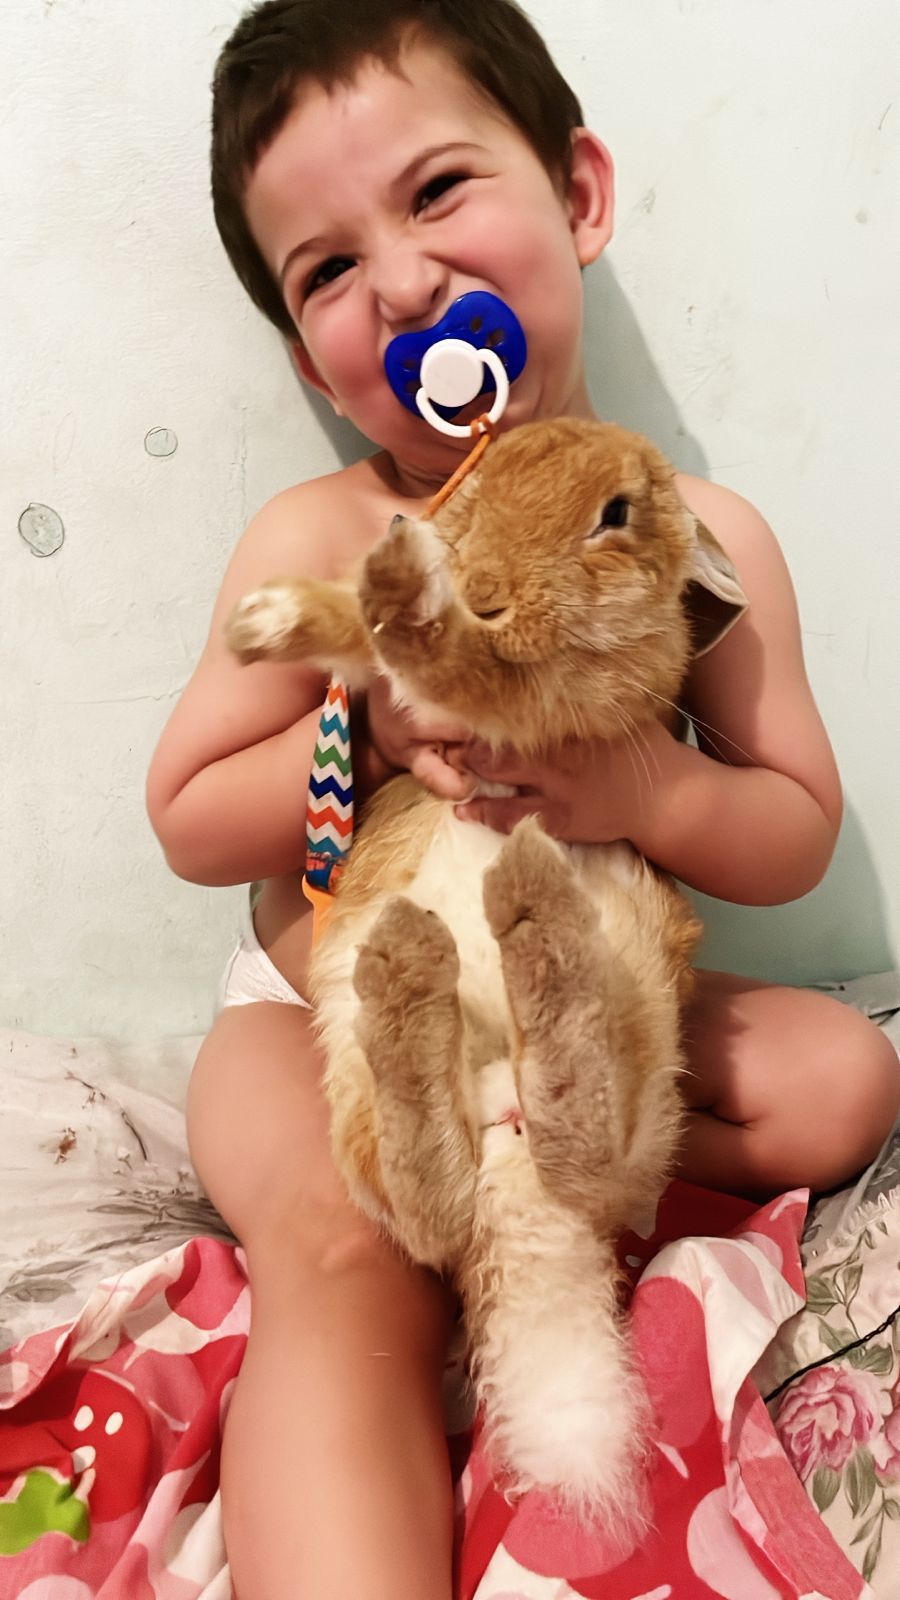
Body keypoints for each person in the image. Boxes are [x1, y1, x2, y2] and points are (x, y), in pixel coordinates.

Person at [146, 3, 900, 1595]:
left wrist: (640, 783)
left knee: (843, 1082)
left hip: (576, 1010)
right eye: (327, 270)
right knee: (346, 1253)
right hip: (329, 1024)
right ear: (308, 358)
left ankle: (535, 1158)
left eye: (437, 192)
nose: (400, 284)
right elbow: (192, 814)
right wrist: (362, 730)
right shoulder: (322, 534)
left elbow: (791, 826)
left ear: (579, 195)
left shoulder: (693, 539)